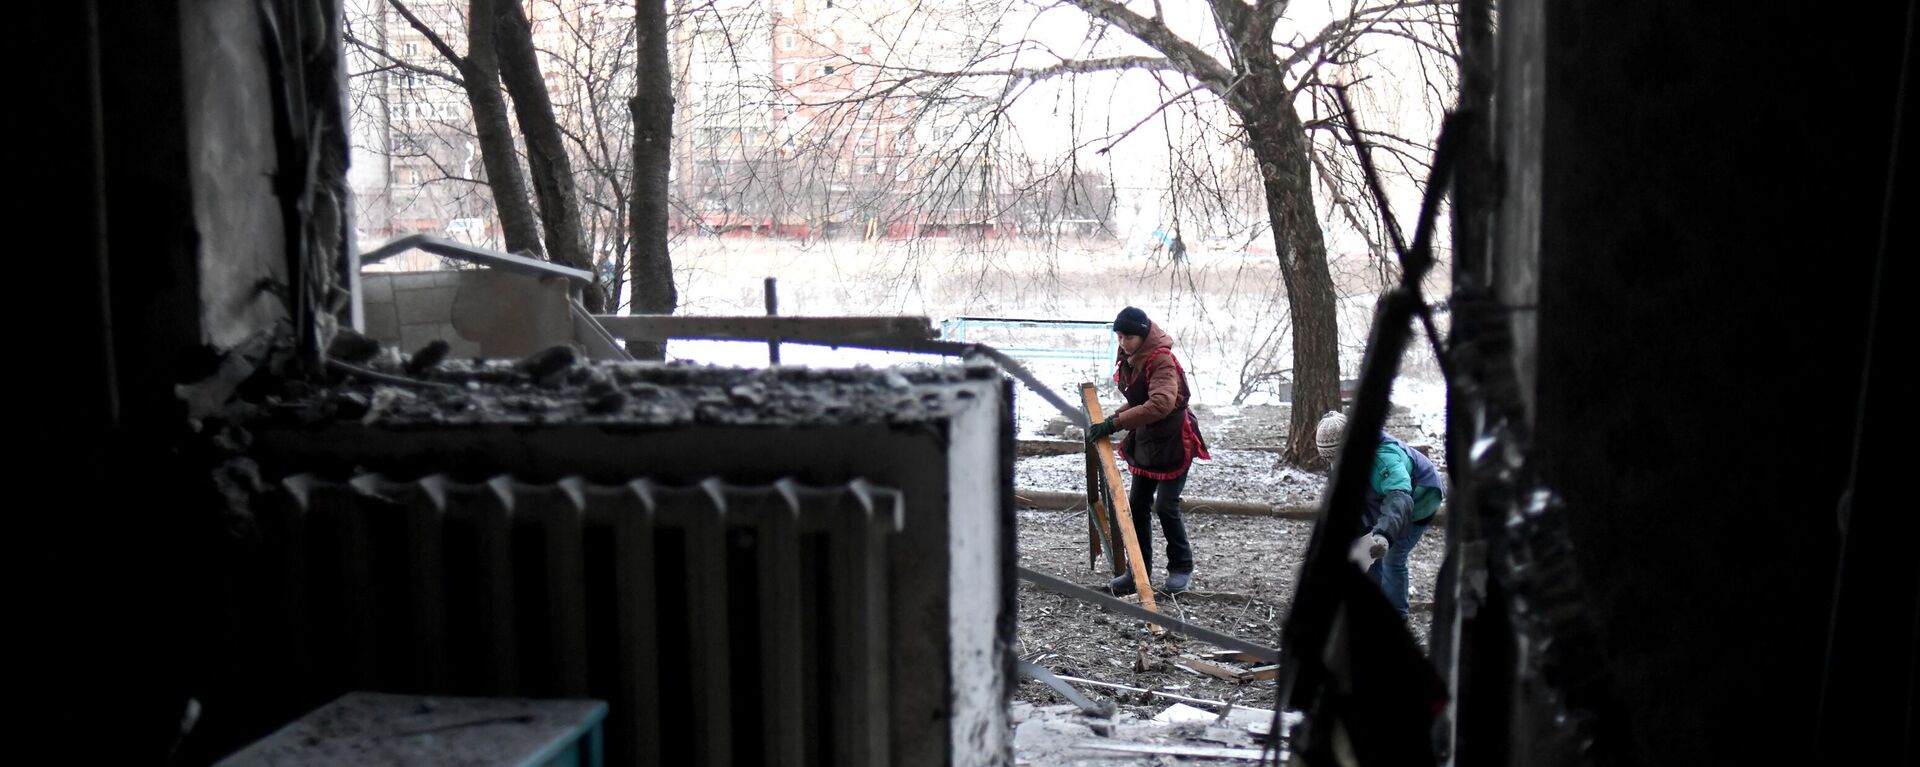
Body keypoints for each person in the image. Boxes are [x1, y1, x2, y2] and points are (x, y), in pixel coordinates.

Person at [1086, 306, 1210, 595]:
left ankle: (1181, 566)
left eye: (1128, 337)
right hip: (1147, 441)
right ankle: (1136, 573)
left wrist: (1115, 424)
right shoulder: (1133, 359)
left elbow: (1161, 403)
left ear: (1142, 335)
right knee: (1137, 506)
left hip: (1174, 441)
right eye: (1118, 336)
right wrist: (1111, 419)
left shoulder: (1161, 360)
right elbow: (1142, 398)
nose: (1122, 342)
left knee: (1166, 506)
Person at [1315, 410, 1446, 619]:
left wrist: (1384, 535)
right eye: (1330, 459)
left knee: (1392, 556)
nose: (1336, 465)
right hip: (1379, 499)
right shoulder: (1341, 465)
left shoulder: (1384, 457)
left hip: (1418, 497)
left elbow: (1400, 498)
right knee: (1364, 551)